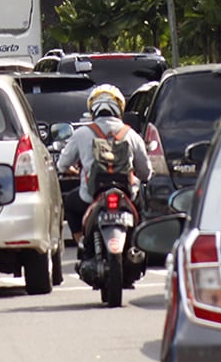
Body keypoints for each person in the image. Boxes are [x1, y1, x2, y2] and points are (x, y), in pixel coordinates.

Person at [55, 83, 151, 248]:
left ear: (93, 110)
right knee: (144, 205)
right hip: (128, 195)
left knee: (70, 203)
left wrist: (72, 171)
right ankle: (138, 244)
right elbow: (145, 173)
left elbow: (62, 165)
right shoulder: (131, 134)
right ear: (120, 109)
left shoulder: (82, 133)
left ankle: (82, 243)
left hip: (90, 196)